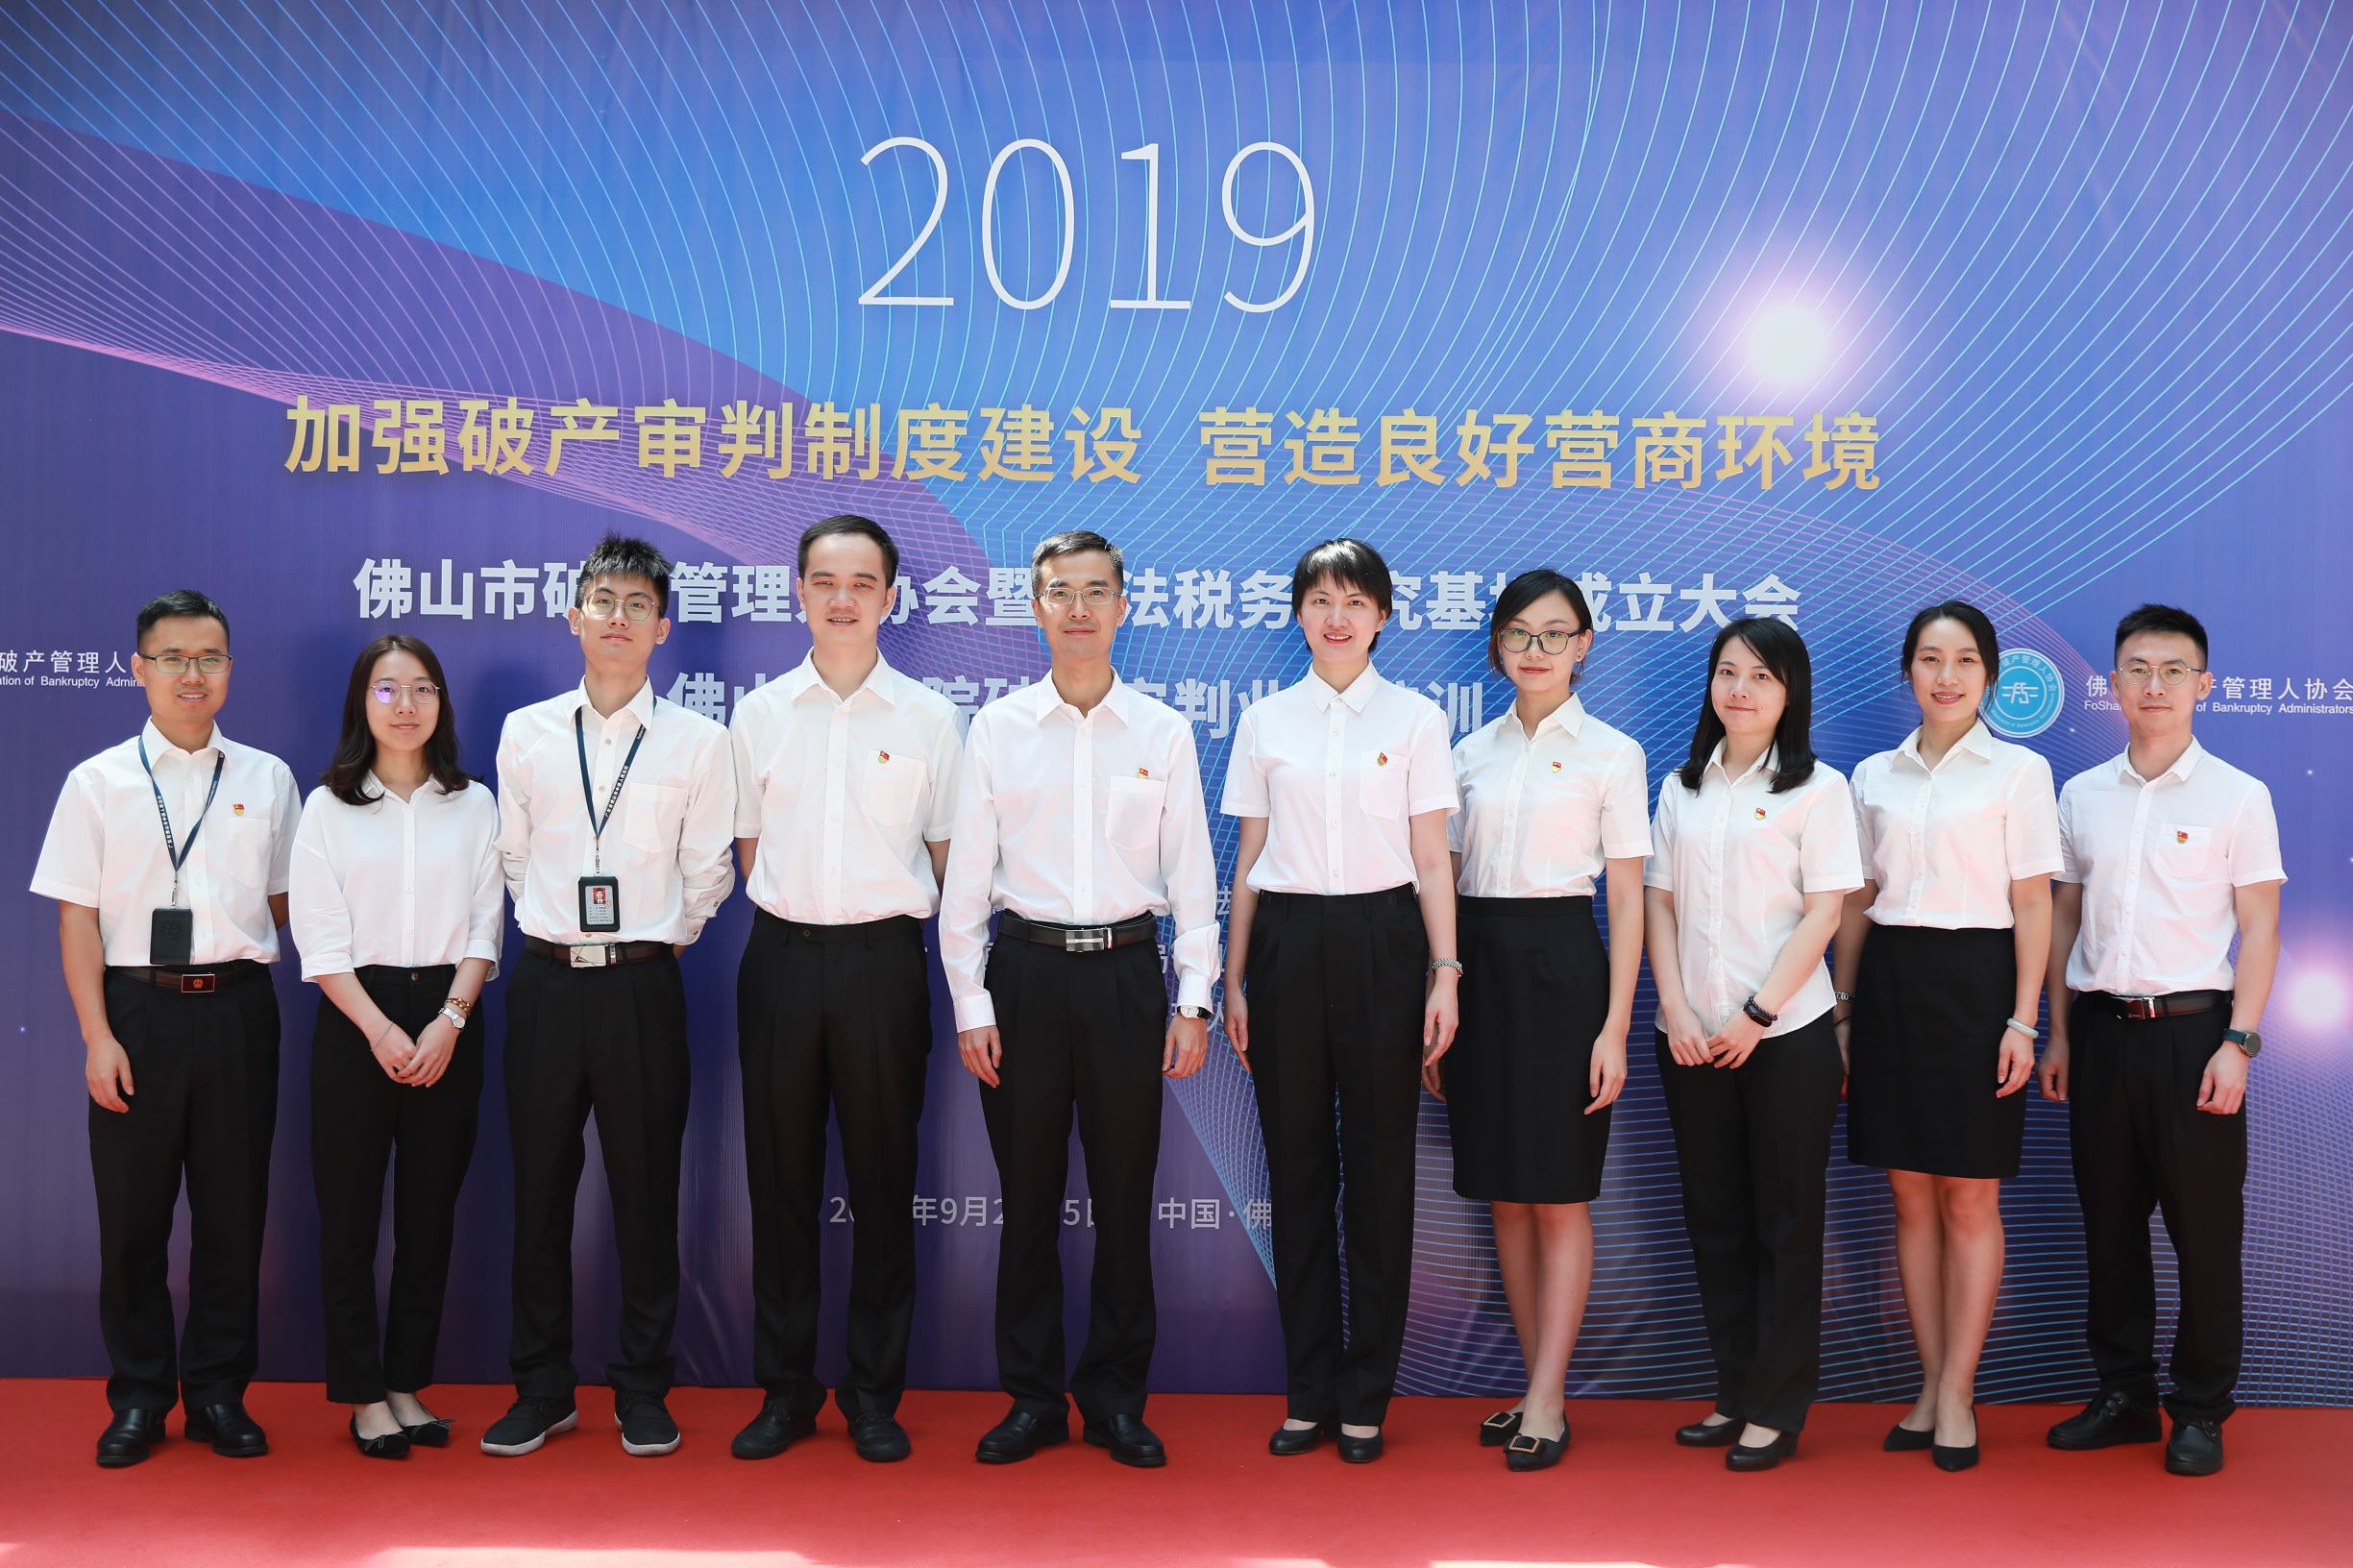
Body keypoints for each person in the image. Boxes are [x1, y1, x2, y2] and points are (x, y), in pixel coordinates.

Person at [940, 529, 1218, 1470]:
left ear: (1122, 606)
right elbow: (966, 887)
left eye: (1096, 591)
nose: (1078, 608)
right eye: (1060, 592)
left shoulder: (1161, 732)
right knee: (1026, 1201)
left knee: (1124, 1198)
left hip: (1127, 979)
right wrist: (973, 1006)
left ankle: (1113, 1400)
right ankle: (1030, 1398)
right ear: (1036, 608)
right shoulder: (998, 729)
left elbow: (1192, 880)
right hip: (1025, 976)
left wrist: (1193, 1002)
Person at [479, 535, 736, 1458]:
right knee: (539, 1193)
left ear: (662, 627)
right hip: (547, 983)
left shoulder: (700, 742)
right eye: (603, 601)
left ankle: (643, 1388)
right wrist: (564, 931)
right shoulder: (527, 732)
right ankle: (541, 1387)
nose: (618, 617)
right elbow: (512, 857)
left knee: (645, 1192)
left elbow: (708, 872)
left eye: (637, 604)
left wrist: (652, 937)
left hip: (642, 988)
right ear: (574, 617)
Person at [33, 590, 300, 1467]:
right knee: (132, 1220)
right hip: (136, 1012)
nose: (193, 674)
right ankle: (141, 1397)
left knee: (233, 1215)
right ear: (139, 669)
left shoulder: (266, 778)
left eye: (209, 658)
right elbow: (77, 918)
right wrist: (97, 1034)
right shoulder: (97, 782)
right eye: (174, 659)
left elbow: (284, 901)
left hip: (237, 1009)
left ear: (229, 668)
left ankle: (219, 1392)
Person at [726, 515, 963, 1464]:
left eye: (862, 583)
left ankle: (872, 1394)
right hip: (781, 960)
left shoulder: (929, 718)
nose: (842, 598)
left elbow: (947, 858)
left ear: (889, 598)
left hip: (882, 966)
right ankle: (785, 1392)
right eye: (824, 581)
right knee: (779, 1181)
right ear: (798, 592)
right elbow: (748, 849)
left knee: (881, 1179)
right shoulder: (759, 714)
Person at [1222, 537, 1459, 1465]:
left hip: (1383, 943)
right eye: (1320, 599)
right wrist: (1234, 978)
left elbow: (1432, 857)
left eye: (1354, 601)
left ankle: (1366, 1398)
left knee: (1379, 1175)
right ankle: (1307, 1392)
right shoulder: (1265, 721)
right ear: (1297, 613)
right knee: (1297, 1176)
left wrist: (1445, 971)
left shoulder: (1416, 720)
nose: (1336, 616)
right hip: (1286, 942)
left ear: (1382, 617)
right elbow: (1248, 859)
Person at [2039, 604, 2281, 1479]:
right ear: (2112, 684)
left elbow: (2260, 928)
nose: (2153, 685)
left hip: (2194, 1039)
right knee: (2108, 1228)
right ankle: (2124, 1396)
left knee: (2204, 1232)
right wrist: (2057, 1033)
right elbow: (2063, 917)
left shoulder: (2238, 795)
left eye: (2172, 670)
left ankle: (2201, 1408)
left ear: (2202, 685)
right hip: (2099, 1033)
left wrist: (2238, 1042)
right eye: (2137, 670)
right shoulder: (2081, 794)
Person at [1832, 602, 2060, 1472]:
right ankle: (1928, 1386)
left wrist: (2022, 1018)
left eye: (1965, 660)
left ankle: (1959, 1391)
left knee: (1968, 1197)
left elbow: (2032, 902)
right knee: (1908, 1197)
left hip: (1979, 986)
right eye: (1929, 658)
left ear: (1989, 675)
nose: (1946, 675)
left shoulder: (2019, 771)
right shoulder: (1872, 776)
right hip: (1891, 984)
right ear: (1907, 672)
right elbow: (1858, 901)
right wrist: (1843, 1007)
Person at [1440, 570, 1647, 1472]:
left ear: (1582, 645)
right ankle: (1535, 1386)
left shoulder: (1613, 753)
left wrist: (1613, 1028)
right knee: (1506, 1196)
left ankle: (1548, 1398)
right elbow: (1442, 883)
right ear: (1496, 645)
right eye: (1519, 633)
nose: (1536, 650)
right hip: (1476, 966)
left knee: (1558, 1195)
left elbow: (1628, 901)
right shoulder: (1465, 753)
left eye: (1554, 634)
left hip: (1565, 967)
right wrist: (1439, 994)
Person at [1645, 616, 1861, 1473]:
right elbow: (1658, 902)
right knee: (1715, 1221)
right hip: (1689, 1038)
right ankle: (1734, 1392)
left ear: (1789, 692)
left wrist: (1757, 1015)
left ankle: (1778, 1405)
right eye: (1728, 672)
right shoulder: (1681, 787)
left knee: (1785, 1222)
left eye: (1761, 676)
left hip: (1784, 1036)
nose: (1740, 689)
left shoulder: (1819, 789)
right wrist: (1674, 1007)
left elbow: (1825, 911)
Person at [288, 635, 502, 1458]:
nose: (405, 705)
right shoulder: (326, 807)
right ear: (361, 703)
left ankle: (407, 1382)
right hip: (356, 1020)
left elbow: (485, 925)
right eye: (386, 689)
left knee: (428, 1214)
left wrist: (450, 1021)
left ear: (442, 702)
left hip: (450, 1015)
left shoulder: (473, 804)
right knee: (348, 1216)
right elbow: (320, 941)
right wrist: (379, 1028)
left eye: (421, 689)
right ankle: (363, 1395)